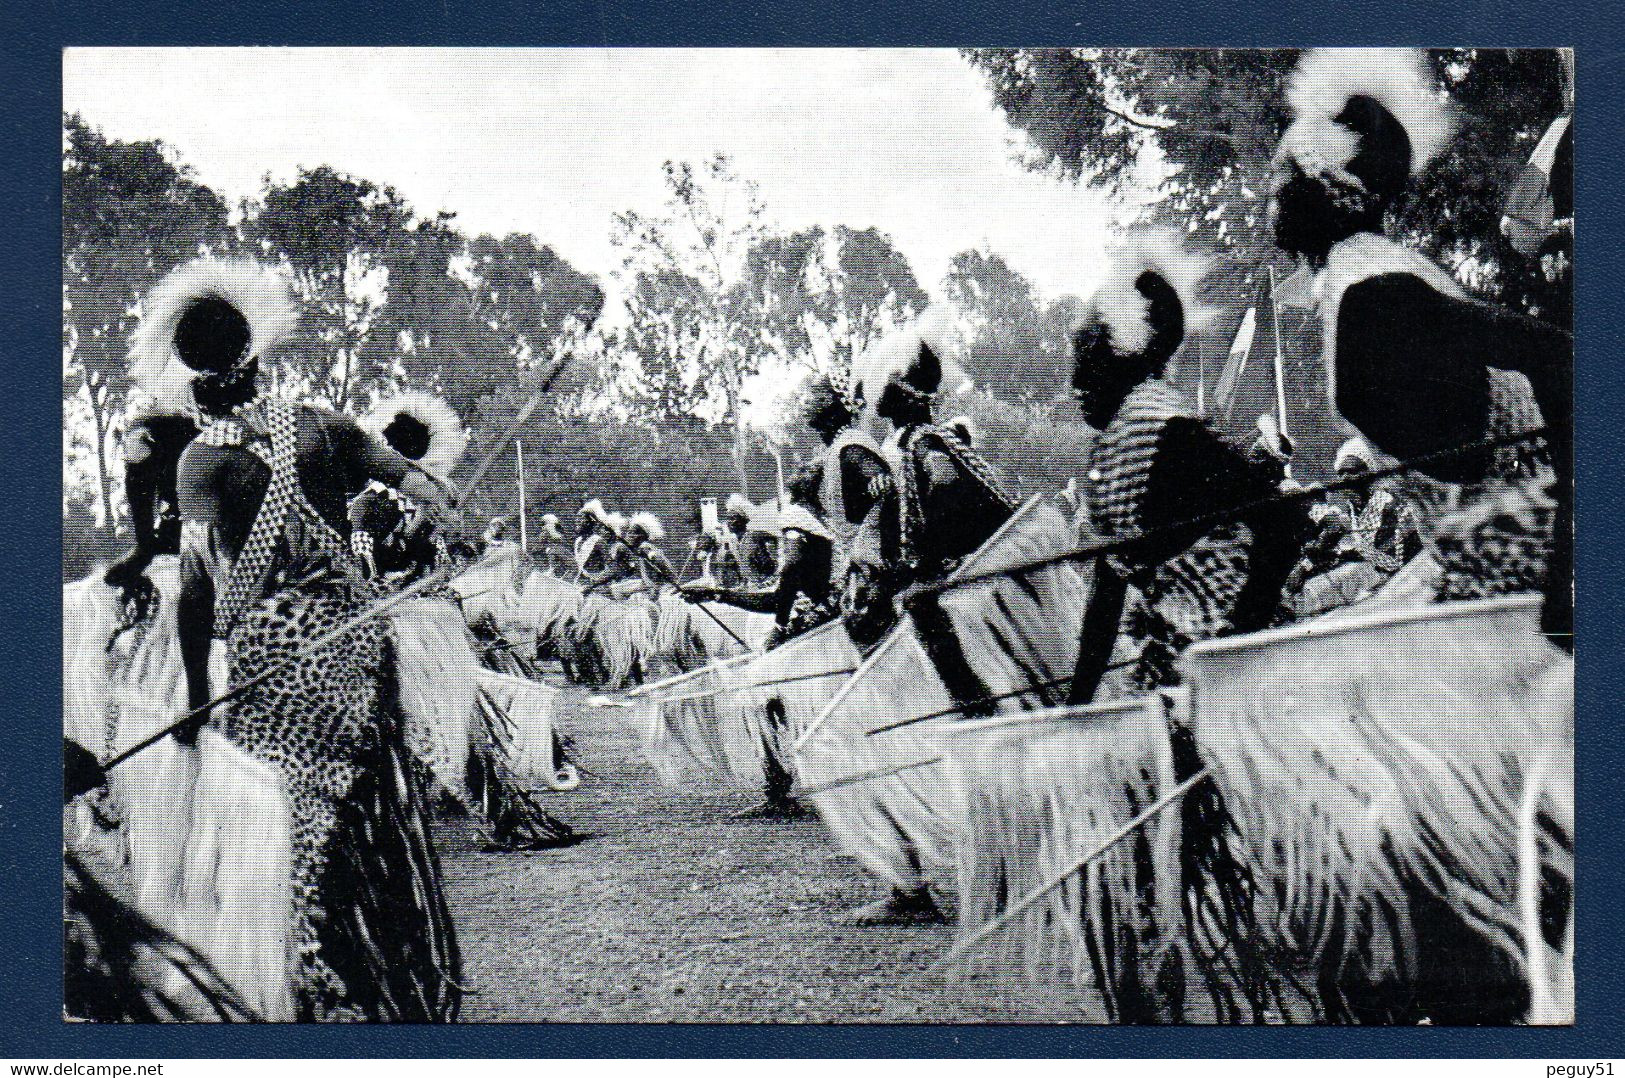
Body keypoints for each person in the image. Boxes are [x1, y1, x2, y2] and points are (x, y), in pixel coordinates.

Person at [165, 258, 461, 1021]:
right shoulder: (323, 426)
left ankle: (310, 969)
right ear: (257, 362)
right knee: (364, 803)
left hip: (272, 656)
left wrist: (199, 696)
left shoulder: (200, 461)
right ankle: (382, 958)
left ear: (197, 383)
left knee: (286, 820)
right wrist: (439, 502)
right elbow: (420, 482)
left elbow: (196, 591)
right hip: (356, 644)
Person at [1270, 47, 1570, 648]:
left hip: (1528, 577)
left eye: (1285, 177)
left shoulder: (1375, 289)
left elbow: (1555, 355)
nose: (1273, 196)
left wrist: (1568, 562)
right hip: (1494, 576)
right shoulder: (1359, 284)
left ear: (1330, 183)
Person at [1065, 229, 1310, 702]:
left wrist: (1239, 645)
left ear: (1123, 358)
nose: (1075, 381)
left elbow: (1282, 523)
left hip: (1239, 680)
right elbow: (1106, 596)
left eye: (1086, 360)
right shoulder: (1112, 452)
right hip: (1177, 676)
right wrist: (1074, 708)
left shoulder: (1175, 435)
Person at [349, 392, 466, 583]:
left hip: (415, 582)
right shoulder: (374, 497)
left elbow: (437, 548)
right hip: (377, 579)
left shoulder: (432, 496)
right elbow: (360, 531)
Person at [622, 511, 675, 591]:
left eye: (631, 533)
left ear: (641, 536)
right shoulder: (641, 550)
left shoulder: (645, 547)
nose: (628, 536)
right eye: (628, 532)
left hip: (663, 589)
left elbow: (661, 563)